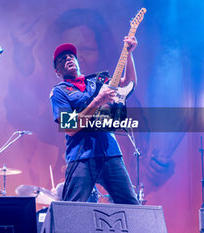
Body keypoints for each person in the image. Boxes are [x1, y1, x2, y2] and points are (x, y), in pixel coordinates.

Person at [49, 36, 140, 204]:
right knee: (74, 210)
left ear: (77, 61)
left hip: (111, 153)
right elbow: (69, 127)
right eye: (62, 60)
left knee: (132, 206)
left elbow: (128, 82)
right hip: (81, 157)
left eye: (71, 56)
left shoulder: (97, 81)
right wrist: (98, 100)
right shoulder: (59, 92)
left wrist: (128, 54)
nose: (68, 59)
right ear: (57, 72)